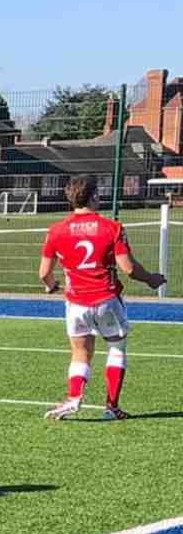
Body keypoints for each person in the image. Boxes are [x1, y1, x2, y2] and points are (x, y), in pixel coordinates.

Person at [38, 174, 166, 421]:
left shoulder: (55, 231)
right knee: (116, 348)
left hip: (75, 303)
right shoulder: (112, 227)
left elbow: (44, 273)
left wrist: (52, 286)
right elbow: (128, 268)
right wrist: (151, 279)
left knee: (80, 353)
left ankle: (73, 400)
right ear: (94, 196)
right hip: (106, 299)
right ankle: (112, 407)